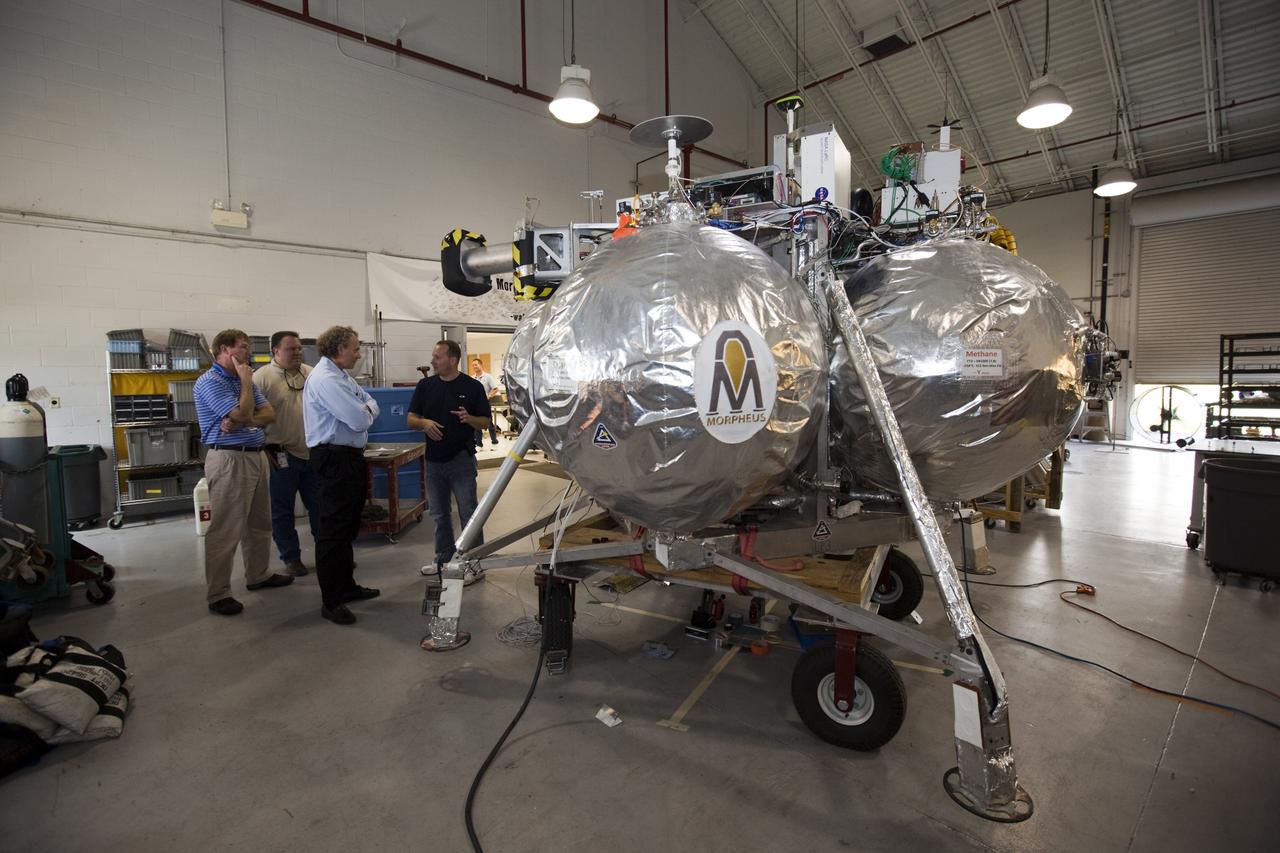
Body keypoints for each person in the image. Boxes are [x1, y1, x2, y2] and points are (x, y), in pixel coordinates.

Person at [193, 329, 294, 616]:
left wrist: (241, 416)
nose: (247, 352)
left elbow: (267, 413)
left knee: (260, 524)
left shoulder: (239, 380)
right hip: (229, 460)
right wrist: (246, 384)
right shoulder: (210, 381)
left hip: (255, 456)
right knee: (226, 528)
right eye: (243, 347)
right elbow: (243, 413)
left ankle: (258, 574)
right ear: (224, 350)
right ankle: (218, 593)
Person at [303, 325, 381, 626]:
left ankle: (347, 587)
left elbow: (369, 403)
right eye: (355, 347)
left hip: (349, 459)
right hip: (334, 460)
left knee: (348, 528)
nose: (359, 352)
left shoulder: (342, 376)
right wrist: (366, 411)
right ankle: (331, 601)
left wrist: (366, 410)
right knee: (332, 532)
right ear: (338, 349)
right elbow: (360, 417)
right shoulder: (325, 379)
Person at [409, 340, 492, 584]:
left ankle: (475, 564)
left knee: (468, 513)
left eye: (438, 357)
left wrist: (470, 419)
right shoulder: (426, 386)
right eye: (433, 357)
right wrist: (424, 423)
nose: (433, 361)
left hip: (461, 460)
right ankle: (442, 560)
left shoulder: (472, 386)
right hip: (434, 461)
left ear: (453, 360)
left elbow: (485, 422)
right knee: (439, 514)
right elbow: (411, 419)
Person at [253, 331, 319, 576]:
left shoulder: (311, 373)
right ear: (275, 351)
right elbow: (251, 418)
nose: (297, 353)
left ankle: (326, 554)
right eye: (291, 349)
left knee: (320, 508)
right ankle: (291, 558)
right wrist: (262, 447)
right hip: (281, 455)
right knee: (283, 510)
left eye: (299, 348)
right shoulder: (261, 379)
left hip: (312, 454)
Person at [468, 357, 501, 446]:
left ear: (481, 365)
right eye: (473, 365)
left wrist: (488, 396)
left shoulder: (488, 377)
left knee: (489, 422)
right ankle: (479, 443)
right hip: (475, 404)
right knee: (476, 423)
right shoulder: (472, 378)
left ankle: (494, 441)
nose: (474, 366)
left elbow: (495, 389)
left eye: (476, 364)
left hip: (486, 403)